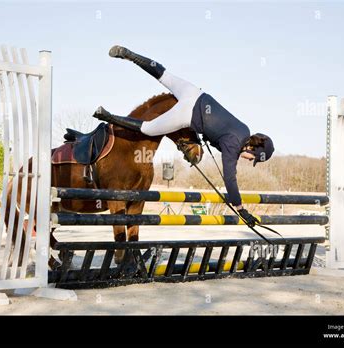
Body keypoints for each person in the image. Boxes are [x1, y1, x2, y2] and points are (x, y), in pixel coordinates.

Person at [93, 46, 275, 226]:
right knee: (148, 128)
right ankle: (108, 116)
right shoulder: (233, 146)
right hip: (187, 113)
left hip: (196, 93)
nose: (248, 159)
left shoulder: (243, 130)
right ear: (252, 148)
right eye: (252, 158)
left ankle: (130, 55)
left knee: (163, 74)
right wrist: (240, 209)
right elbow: (230, 178)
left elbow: (219, 135)